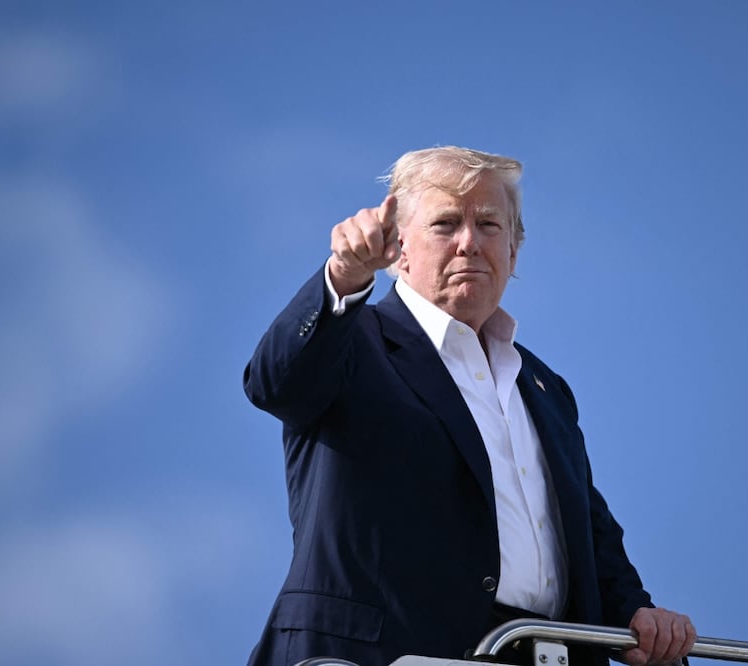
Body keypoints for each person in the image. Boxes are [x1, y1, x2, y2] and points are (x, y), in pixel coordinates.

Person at [243, 146, 695, 666]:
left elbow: (585, 534)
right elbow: (274, 383)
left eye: (489, 224)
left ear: (514, 252)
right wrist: (341, 277)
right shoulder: (348, 337)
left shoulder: (545, 386)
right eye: (445, 223)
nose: (469, 243)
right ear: (399, 249)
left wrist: (638, 614)